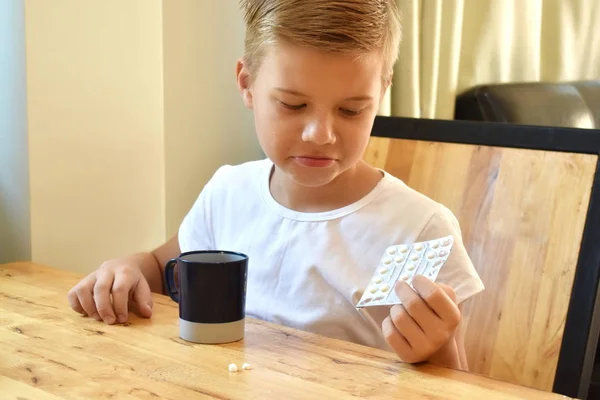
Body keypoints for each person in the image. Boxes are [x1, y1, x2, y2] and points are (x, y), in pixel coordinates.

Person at [68, 0, 484, 370]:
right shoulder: (229, 192)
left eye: (351, 110)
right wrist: (125, 269)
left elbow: (459, 379)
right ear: (247, 84)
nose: (320, 134)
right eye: (293, 105)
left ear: (382, 92)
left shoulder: (420, 230)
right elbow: (163, 268)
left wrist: (436, 349)